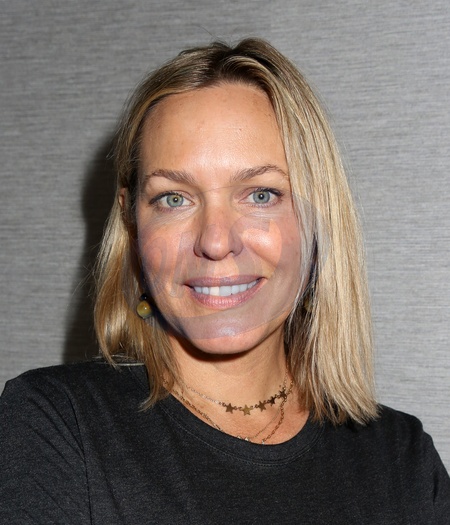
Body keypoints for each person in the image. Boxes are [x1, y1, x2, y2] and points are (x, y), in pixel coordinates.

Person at [1, 38, 449, 524]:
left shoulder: (401, 460)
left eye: (260, 195)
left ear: (319, 220)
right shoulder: (56, 426)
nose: (216, 242)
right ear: (132, 224)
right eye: (174, 198)